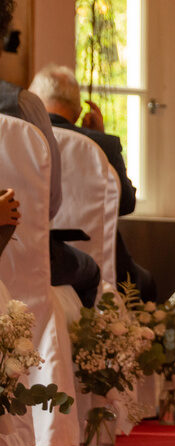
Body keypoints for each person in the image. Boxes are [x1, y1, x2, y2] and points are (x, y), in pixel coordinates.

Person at [0, 0, 99, 307]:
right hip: (24, 261)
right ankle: (79, 352)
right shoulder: (25, 106)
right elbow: (49, 203)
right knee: (90, 271)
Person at [29, 64, 157, 302]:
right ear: (78, 112)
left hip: (32, 258)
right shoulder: (102, 143)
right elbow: (126, 204)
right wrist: (101, 135)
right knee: (146, 282)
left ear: (34, 103)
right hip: (104, 267)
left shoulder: (23, 138)